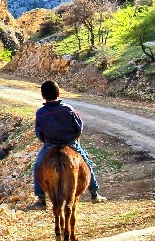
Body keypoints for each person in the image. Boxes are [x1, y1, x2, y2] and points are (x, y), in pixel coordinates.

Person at [29, 80, 106, 209]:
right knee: (86, 163)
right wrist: (73, 137)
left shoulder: (40, 113)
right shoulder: (68, 109)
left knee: (37, 167)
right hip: (70, 143)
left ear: (43, 96)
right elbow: (79, 127)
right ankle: (94, 193)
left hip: (50, 146)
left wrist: (47, 142)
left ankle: (41, 199)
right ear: (58, 93)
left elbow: (39, 133)